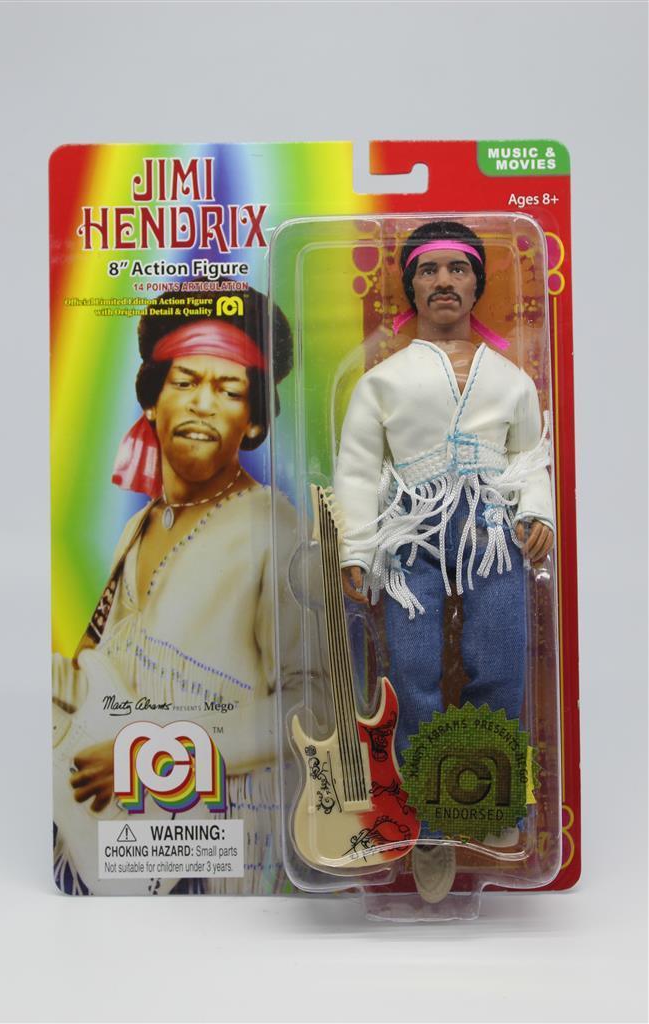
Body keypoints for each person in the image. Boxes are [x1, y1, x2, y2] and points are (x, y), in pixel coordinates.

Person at [333, 221, 554, 901]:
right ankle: (426, 822)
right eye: (428, 271)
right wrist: (357, 548)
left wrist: (536, 511)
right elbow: (358, 468)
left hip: (490, 529)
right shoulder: (382, 381)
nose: (444, 282)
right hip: (413, 527)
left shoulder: (510, 379)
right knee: (412, 670)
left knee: (500, 658)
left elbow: (529, 455)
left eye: (458, 270)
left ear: (477, 284)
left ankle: (490, 805)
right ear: (412, 287)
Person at [53, 286, 299, 895]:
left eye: (230, 390)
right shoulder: (138, 528)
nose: (203, 404)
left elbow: (308, 703)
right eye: (185, 381)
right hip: (120, 842)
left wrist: (159, 757)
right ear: (151, 401)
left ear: (254, 421)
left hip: (221, 853)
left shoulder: (274, 527)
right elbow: (105, 674)